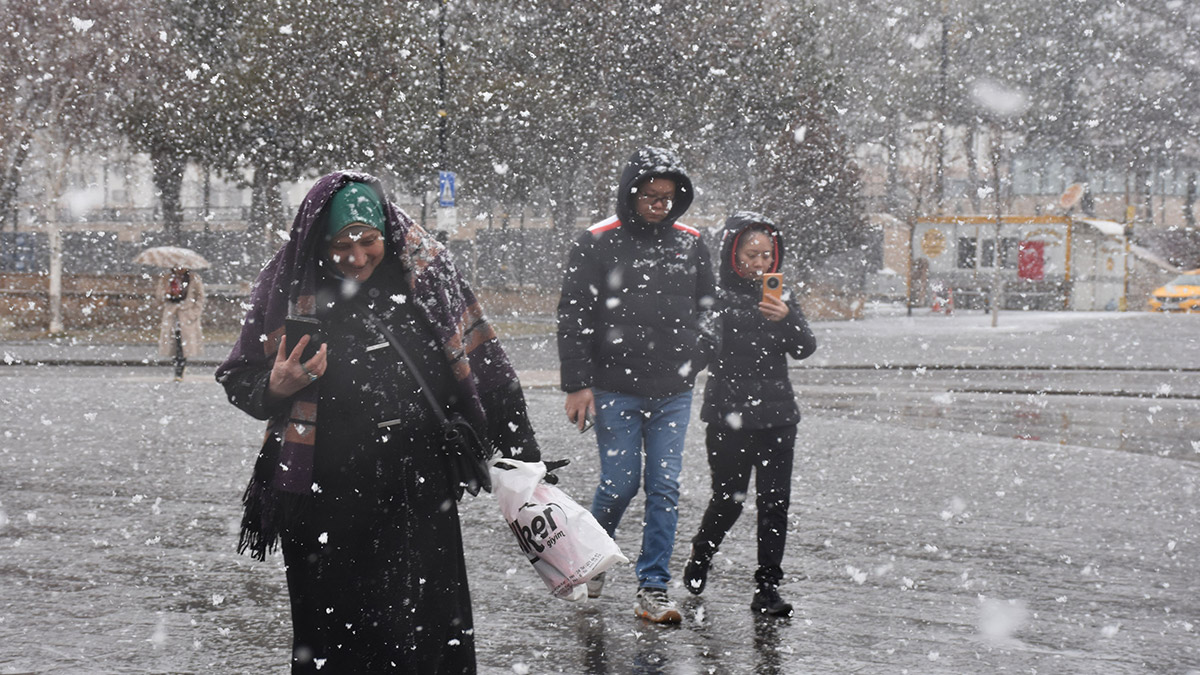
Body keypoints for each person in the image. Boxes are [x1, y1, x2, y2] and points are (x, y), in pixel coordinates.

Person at [216, 172, 541, 674]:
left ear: (386, 234)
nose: (357, 256)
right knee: (338, 643)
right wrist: (278, 385)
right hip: (326, 497)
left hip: (420, 489)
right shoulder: (287, 283)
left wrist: (527, 458)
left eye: (368, 242)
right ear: (318, 239)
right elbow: (240, 377)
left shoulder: (427, 273)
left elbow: (488, 367)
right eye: (340, 244)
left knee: (429, 635)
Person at [557, 146, 716, 624]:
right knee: (620, 484)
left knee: (664, 488)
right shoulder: (596, 241)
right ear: (632, 193)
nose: (660, 204)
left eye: (668, 197)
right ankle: (592, 559)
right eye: (651, 195)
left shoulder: (691, 242)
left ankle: (652, 588)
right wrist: (577, 384)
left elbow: (711, 308)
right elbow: (574, 315)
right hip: (614, 388)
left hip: (674, 390)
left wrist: (698, 356)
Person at [682, 212, 817, 617]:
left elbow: (805, 347)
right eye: (751, 254)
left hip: (778, 419)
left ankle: (767, 588)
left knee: (775, 504)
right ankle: (701, 554)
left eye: (766, 255)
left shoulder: (782, 296)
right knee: (728, 501)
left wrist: (788, 318)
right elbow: (700, 353)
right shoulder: (717, 297)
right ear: (733, 254)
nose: (760, 264)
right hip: (729, 419)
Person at [157, 266, 205, 380]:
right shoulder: (166, 278)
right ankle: (177, 366)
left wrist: (194, 313)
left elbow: (200, 296)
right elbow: (159, 296)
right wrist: (166, 293)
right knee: (174, 343)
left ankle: (180, 370)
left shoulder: (193, 278)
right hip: (172, 315)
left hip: (186, 316)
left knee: (183, 345)